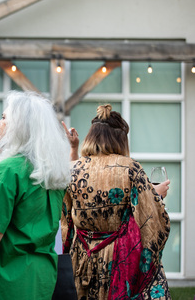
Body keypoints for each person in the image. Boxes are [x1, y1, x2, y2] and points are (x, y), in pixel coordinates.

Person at [0, 91, 71, 300]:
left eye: (5, 118)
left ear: (20, 125)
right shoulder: (53, 170)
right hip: (42, 274)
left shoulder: (8, 170)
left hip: (7, 275)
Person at [61, 104, 171, 299]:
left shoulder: (71, 169)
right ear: (121, 139)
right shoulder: (130, 168)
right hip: (118, 259)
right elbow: (151, 220)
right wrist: (157, 196)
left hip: (80, 256)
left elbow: (65, 221)